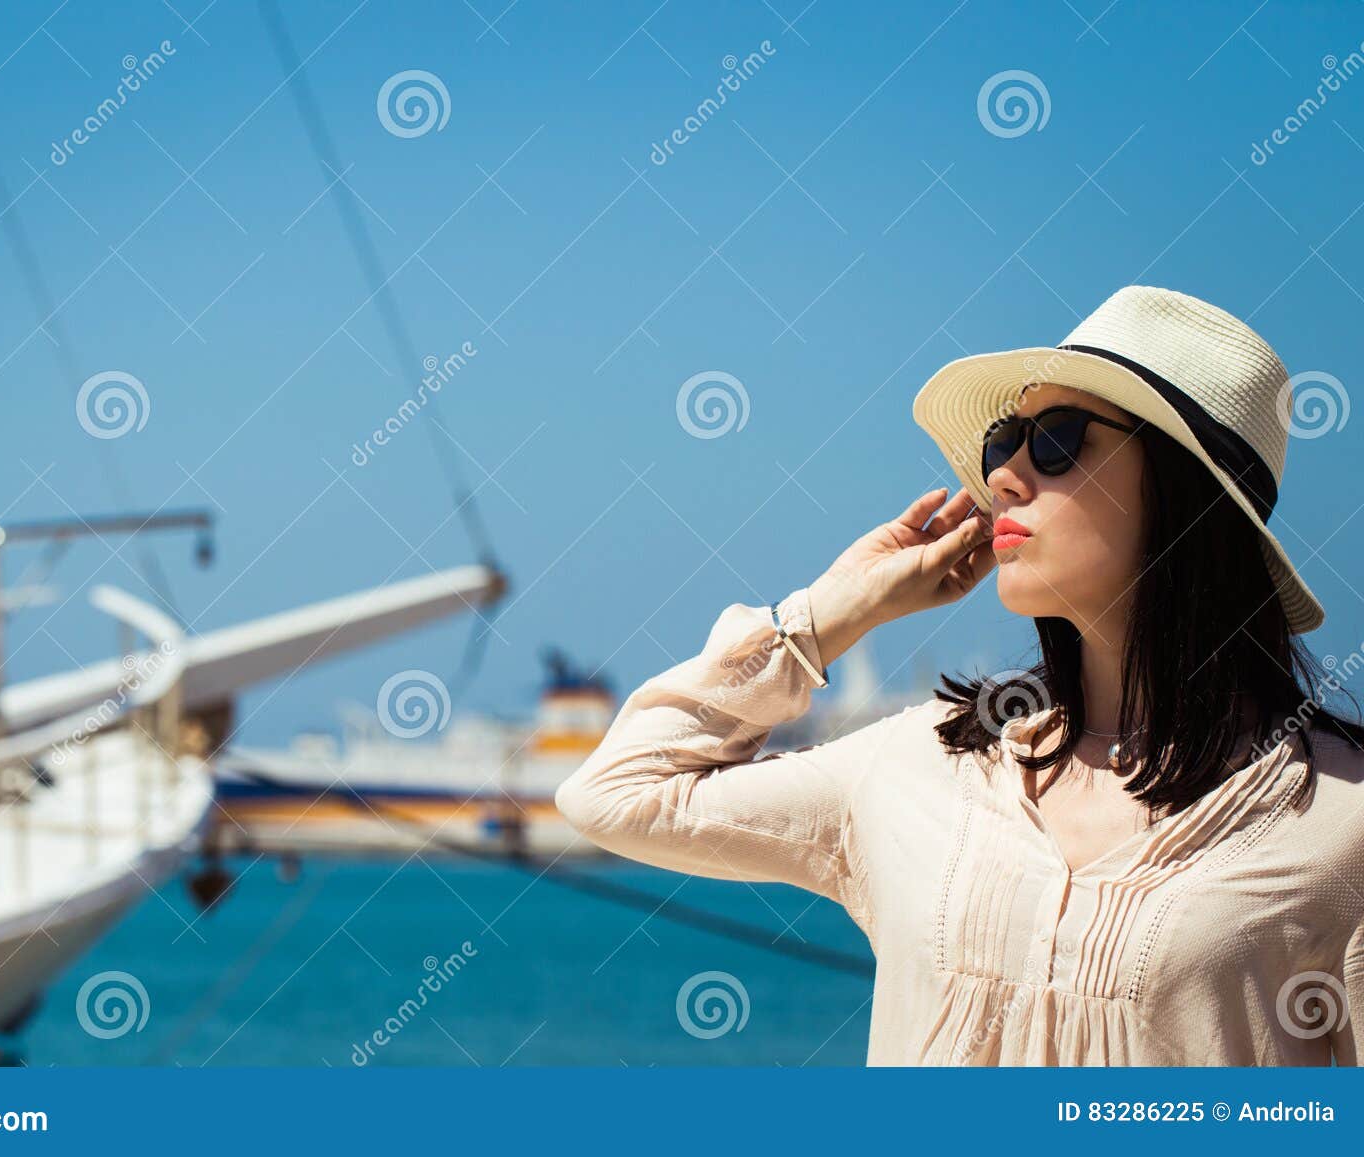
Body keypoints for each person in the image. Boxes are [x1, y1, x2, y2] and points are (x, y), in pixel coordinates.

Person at [556, 285, 1364, 1065]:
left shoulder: (1342, 822)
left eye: (1055, 439)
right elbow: (617, 794)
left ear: (1187, 491)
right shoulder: (921, 769)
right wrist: (833, 611)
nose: (1007, 475)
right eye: (1001, 443)